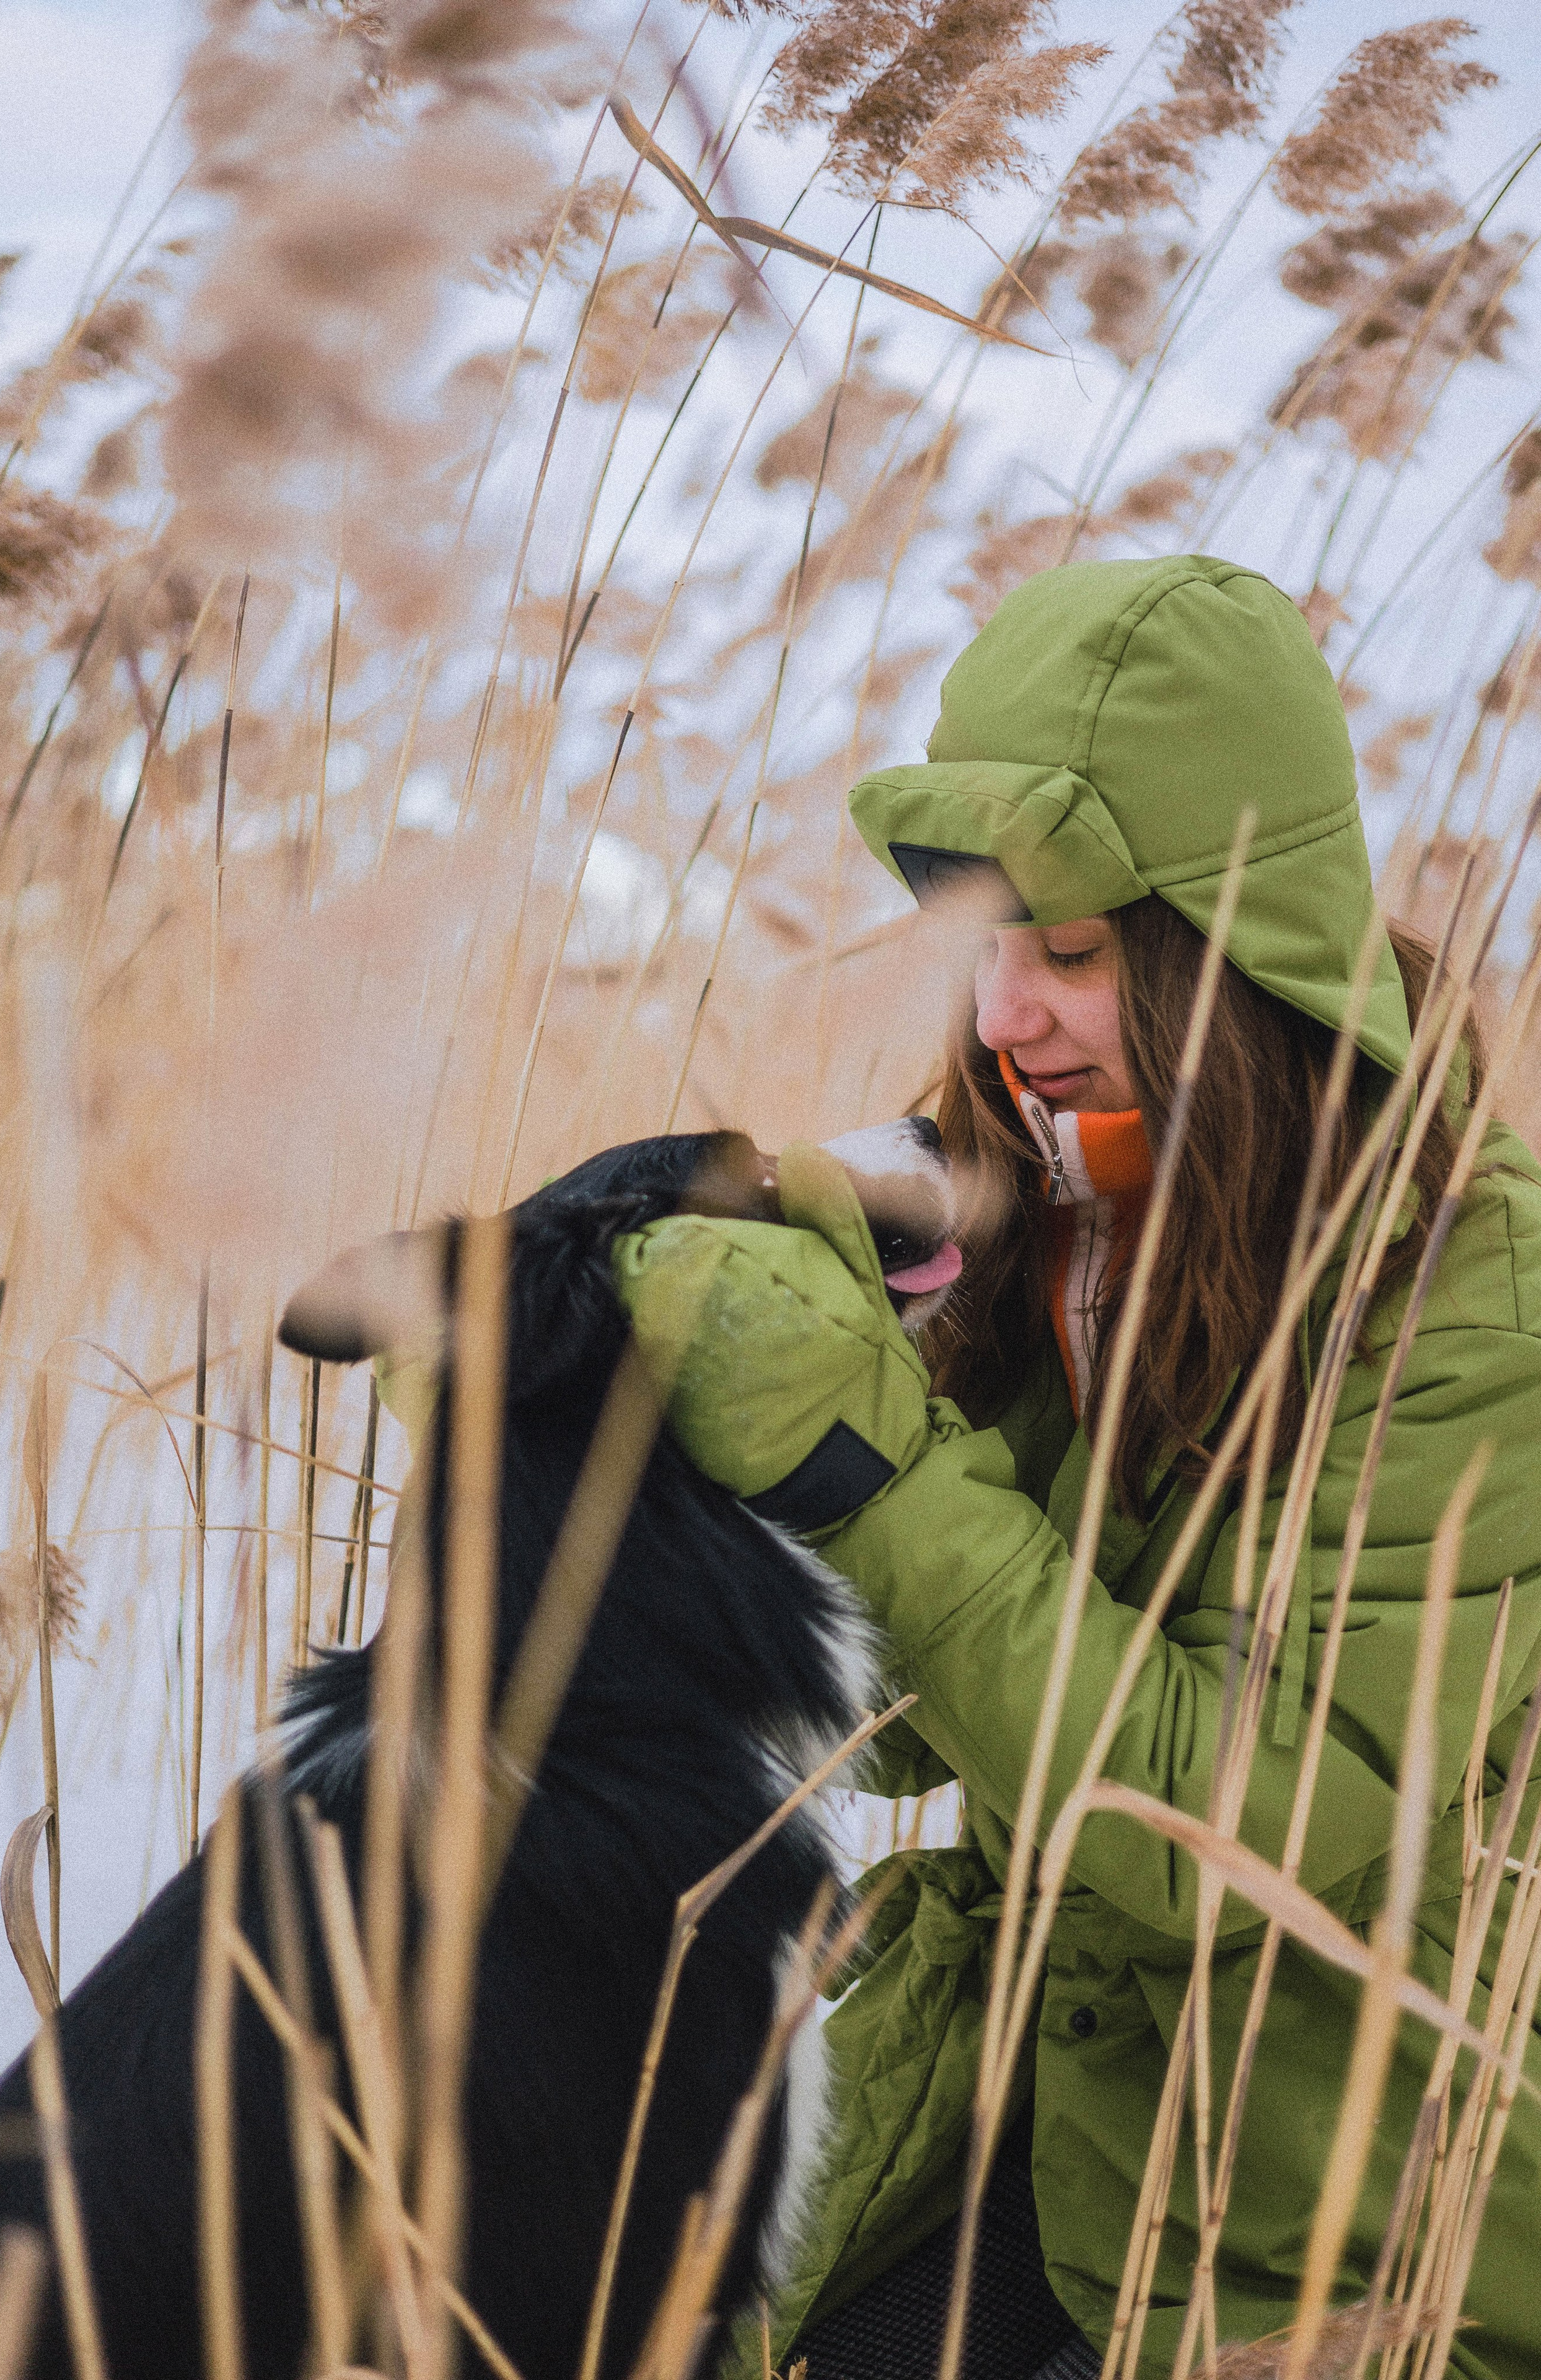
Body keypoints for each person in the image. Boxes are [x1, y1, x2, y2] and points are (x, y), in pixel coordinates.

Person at [613, 557, 1541, 2380]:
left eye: (1071, 952)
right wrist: (623, 1374)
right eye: (980, 945)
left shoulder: (1470, 1299)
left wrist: (864, 1471)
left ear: (1234, 948)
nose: (1001, 1020)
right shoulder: (1055, 1194)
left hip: (1348, 2225)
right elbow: (907, 1722)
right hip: (1061, 2129)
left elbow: (1237, 1833)